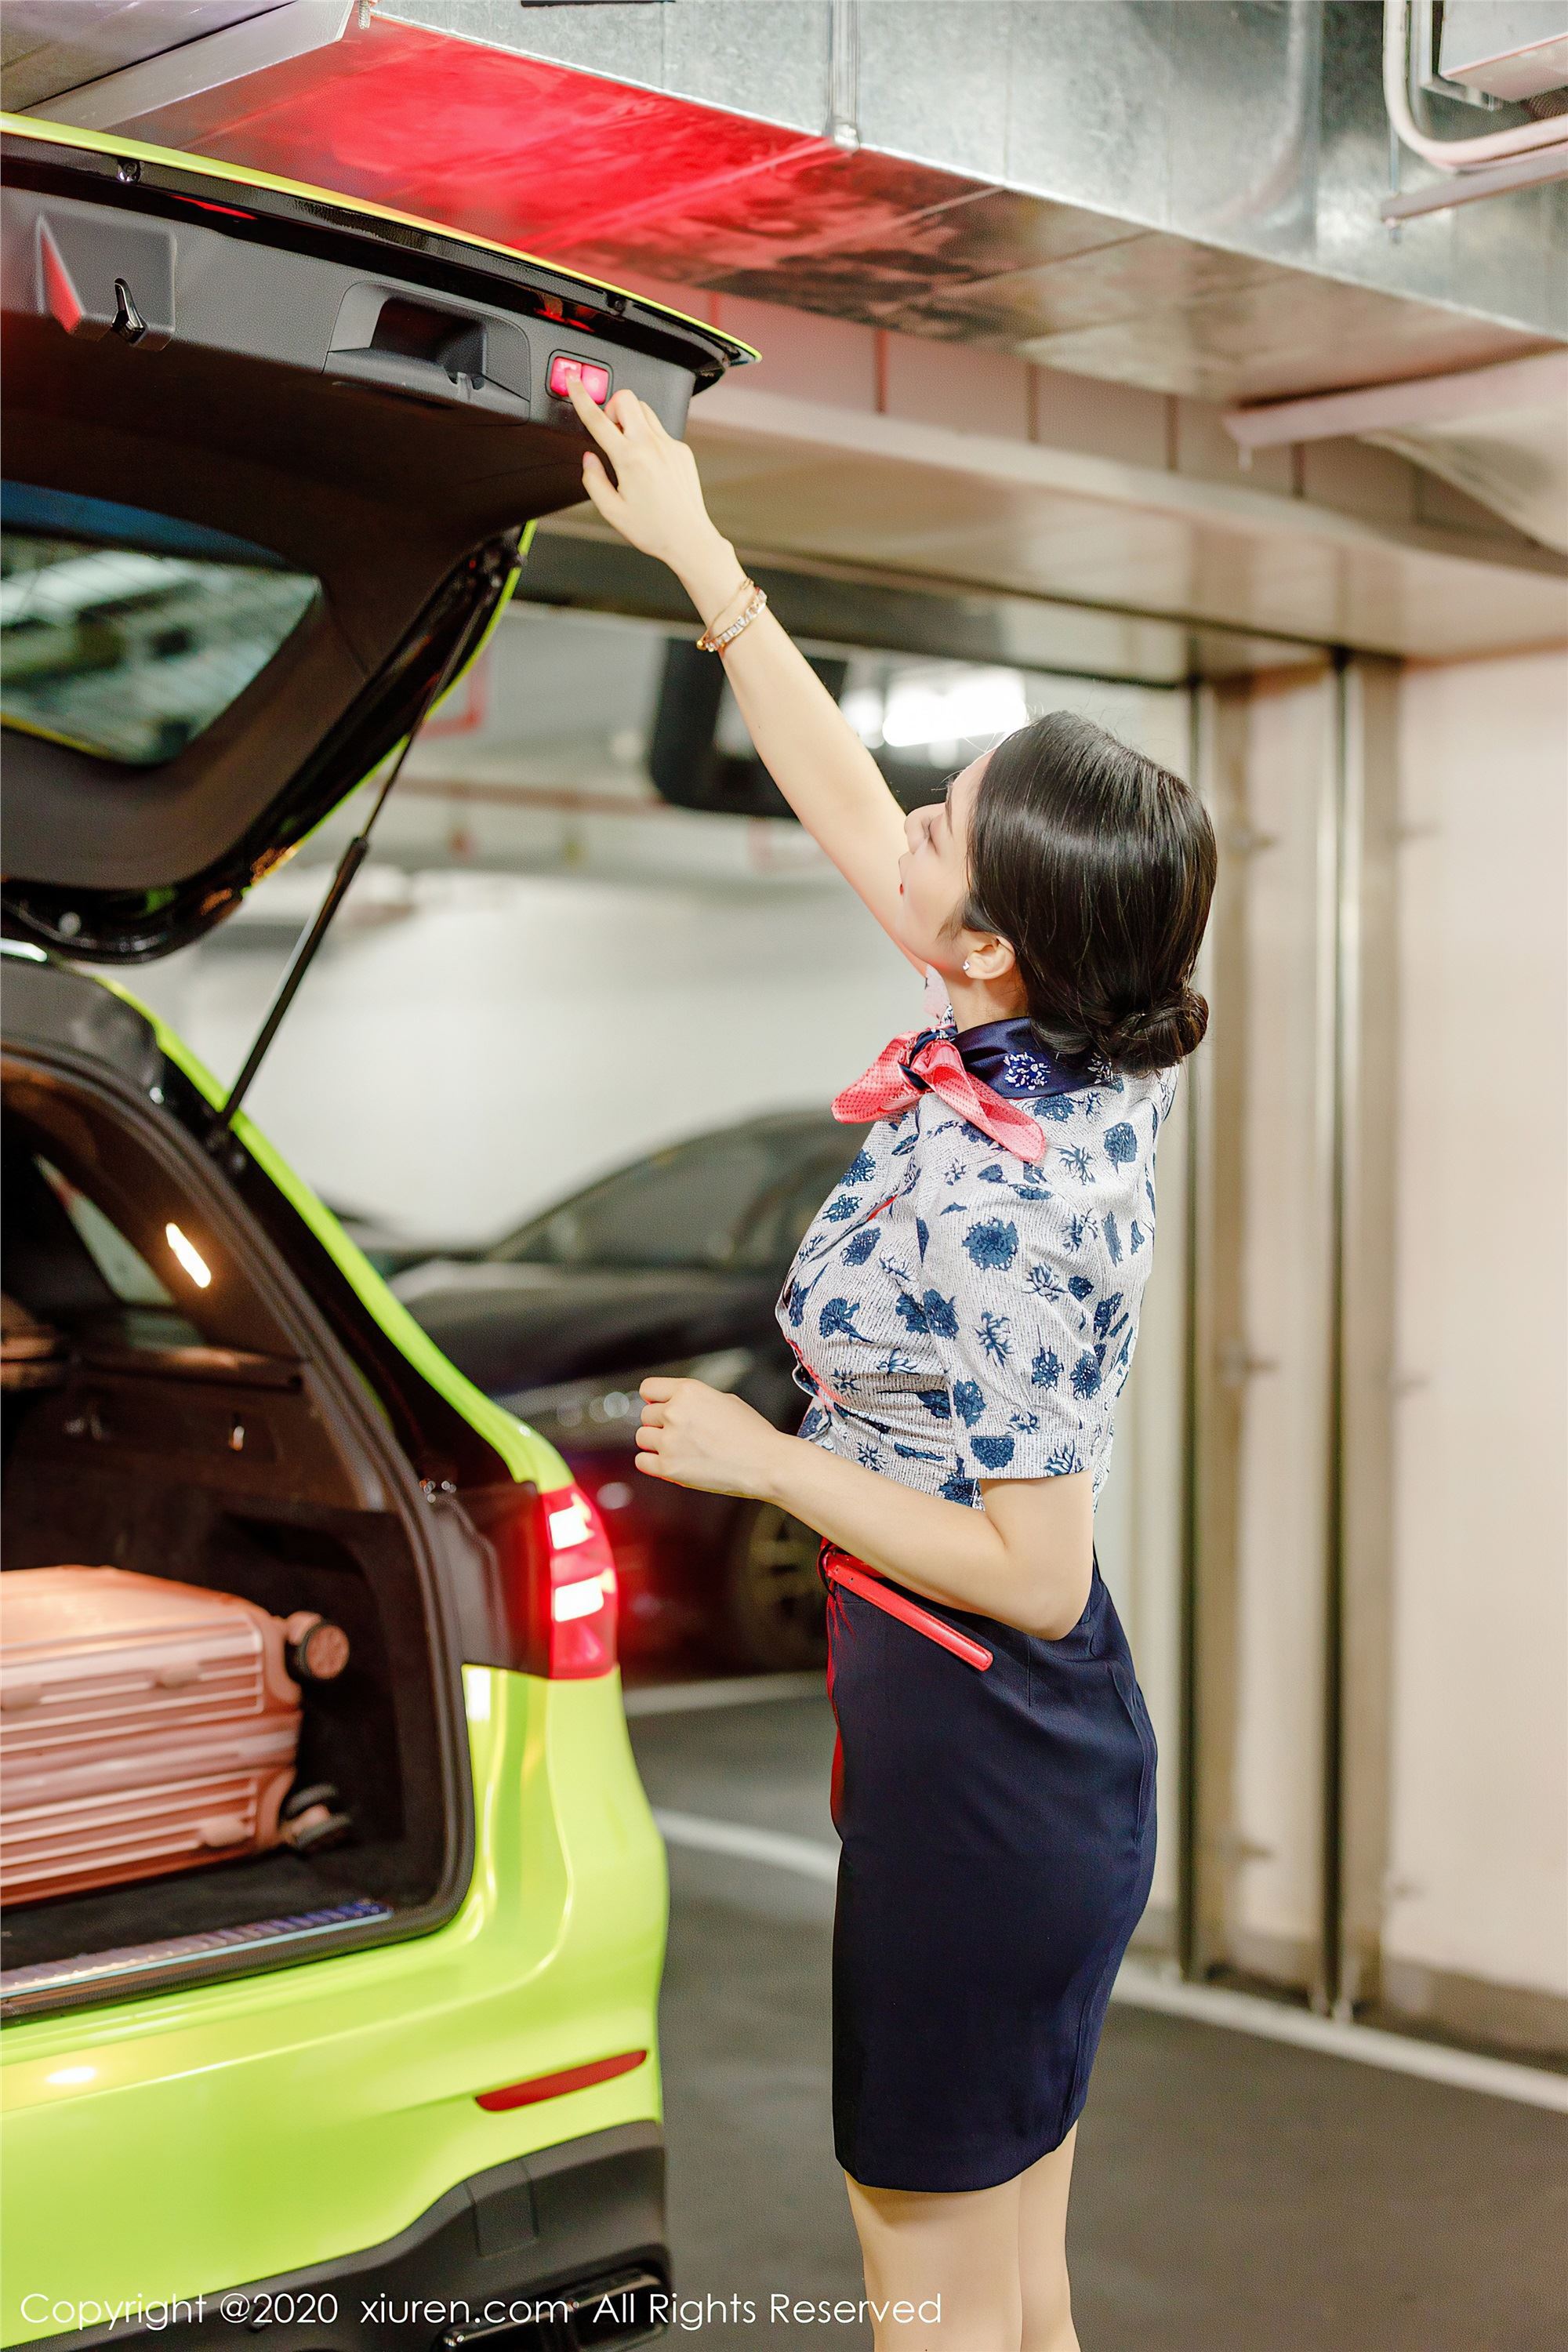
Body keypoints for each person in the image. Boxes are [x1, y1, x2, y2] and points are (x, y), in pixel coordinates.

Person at [564, 376, 1217, 2352]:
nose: (906, 817)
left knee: (926, 2291)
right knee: (1012, 2290)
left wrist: (765, 1464)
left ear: (993, 945)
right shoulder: (1045, 1037)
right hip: (1008, 1757)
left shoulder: (1021, 1193)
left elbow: (1031, 1567)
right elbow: (845, 799)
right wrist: (702, 557)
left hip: (987, 1752)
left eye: (947, 825)